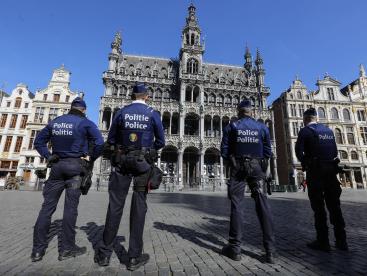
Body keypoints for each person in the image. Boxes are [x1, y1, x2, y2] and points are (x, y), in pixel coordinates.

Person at [94, 83, 165, 271]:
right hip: (143, 164)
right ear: (147, 96)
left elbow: (110, 139)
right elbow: (161, 141)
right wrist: (148, 150)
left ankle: (104, 254)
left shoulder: (121, 112)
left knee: (115, 206)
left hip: (122, 162)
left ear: (131, 95)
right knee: (139, 207)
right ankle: (134, 257)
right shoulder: (152, 113)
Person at [31, 97, 104, 262]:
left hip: (56, 167)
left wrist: (48, 156)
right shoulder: (85, 123)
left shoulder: (55, 122)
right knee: (70, 209)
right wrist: (90, 158)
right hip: (75, 168)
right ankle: (66, 249)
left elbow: (39, 142)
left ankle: (37, 250)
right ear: (83, 110)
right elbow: (100, 143)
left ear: (70, 107)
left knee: (47, 209)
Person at [220, 100, 275, 263]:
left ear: (238, 111)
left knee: (237, 206)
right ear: (252, 112)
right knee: (263, 205)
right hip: (257, 167)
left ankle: (235, 248)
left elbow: (224, 150)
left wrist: (232, 162)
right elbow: (268, 151)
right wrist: (261, 165)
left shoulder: (232, 127)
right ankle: (270, 251)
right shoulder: (262, 127)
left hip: (238, 168)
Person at [295, 107, 348, 252]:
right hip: (331, 172)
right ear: (316, 118)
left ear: (305, 119)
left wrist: (307, 163)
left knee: (319, 208)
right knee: (335, 207)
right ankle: (341, 241)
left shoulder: (305, 131)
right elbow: (335, 151)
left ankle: (323, 241)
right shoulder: (328, 131)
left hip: (316, 172)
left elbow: (298, 151)